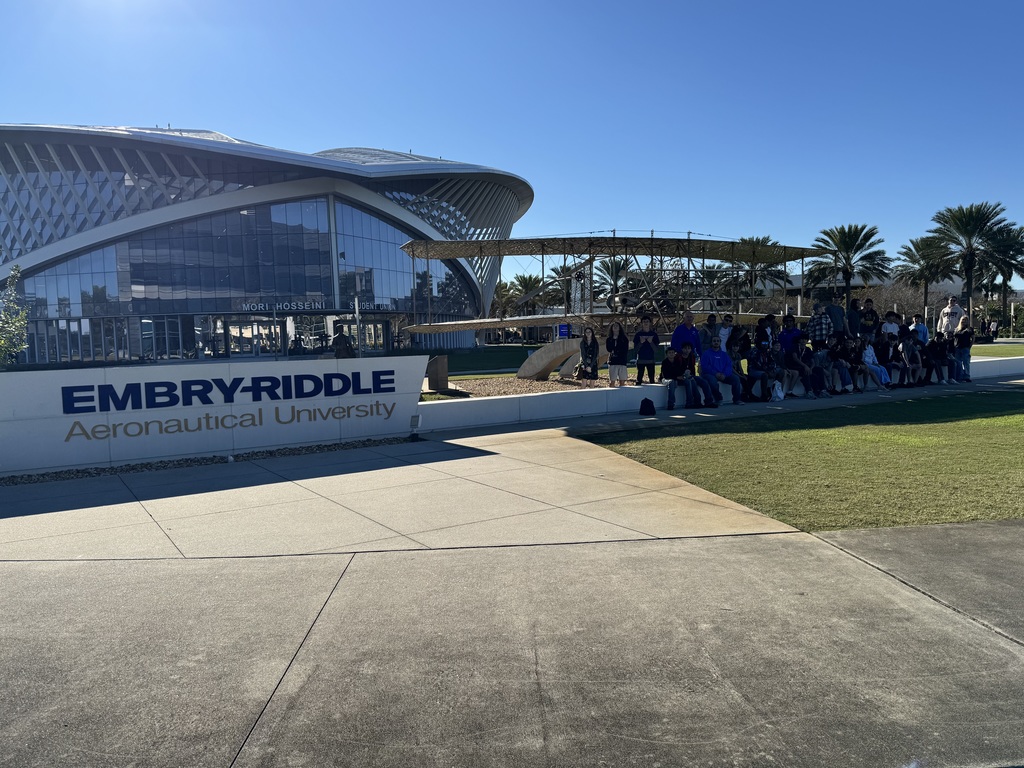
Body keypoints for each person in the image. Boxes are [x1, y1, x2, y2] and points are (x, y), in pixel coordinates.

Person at [699, 335, 745, 405]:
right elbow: (705, 367)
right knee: (712, 381)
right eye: (714, 341)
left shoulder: (724, 354)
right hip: (711, 374)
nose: (716, 342)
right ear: (711, 343)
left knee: (736, 379)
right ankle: (718, 399)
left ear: (720, 343)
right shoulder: (706, 354)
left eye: (718, 341)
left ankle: (737, 399)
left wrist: (724, 374)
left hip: (723, 375)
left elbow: (729, 366)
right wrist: (715, 373)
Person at [676, 341, 714, 407]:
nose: (687, 350)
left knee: (704, 382)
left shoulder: (691, 356)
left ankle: (709, 401)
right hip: (681, 377)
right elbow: (676, 369)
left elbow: (692, 368)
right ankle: (695, 402)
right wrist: (684, 374)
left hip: (690, 375)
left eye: (689, 348)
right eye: (685, 348)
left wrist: (691, 374)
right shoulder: (678, 357)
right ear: (682, 349)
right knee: (692, 382)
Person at [632, 316, 659, 385]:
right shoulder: (638, 335)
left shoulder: (654, 334)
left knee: (652, 380)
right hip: (641, 360)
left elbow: (656, 350)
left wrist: (651, 342)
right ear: (641, 323)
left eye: (647, 321)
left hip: (651, 360)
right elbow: (635, 350)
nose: (646, 323)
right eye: (644, 322)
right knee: (639, 380)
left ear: (650, 323)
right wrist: (641, 343)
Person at [605, 322, 629, 387]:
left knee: (622, 381)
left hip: (622, 361)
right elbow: (609, 349)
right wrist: (615, 350)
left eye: (617, 326)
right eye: (614, 326)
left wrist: (615, 350)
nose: (615, 327)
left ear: (619, 328)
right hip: (613, 361)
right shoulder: (609, 339)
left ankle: (622, 392)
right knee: (612, 381)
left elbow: (625, 350)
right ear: (612, 328)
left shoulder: (624, 339)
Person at [953, 316, 974, 382]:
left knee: (966, 363)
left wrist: (970, 346)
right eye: (963, 320)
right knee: (958, 363)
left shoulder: (969, 329)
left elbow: (973, 338)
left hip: (965, 348)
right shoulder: (957, 329)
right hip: (957, 348)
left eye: (965, 320)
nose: (964, 321)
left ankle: (967, 376)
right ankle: (960, 376)